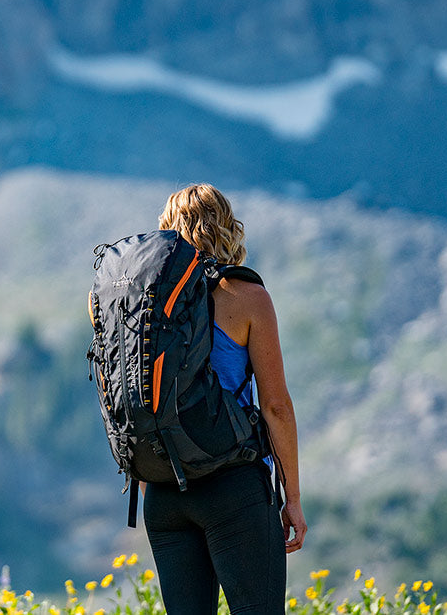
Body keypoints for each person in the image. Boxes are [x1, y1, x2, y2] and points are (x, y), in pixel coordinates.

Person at [143, 184, 307, 614]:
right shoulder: (247, 298)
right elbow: (276, 407)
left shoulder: (138, 303)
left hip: (164, 493)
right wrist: (292, 496)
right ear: (228, 229)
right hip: (232, 484)